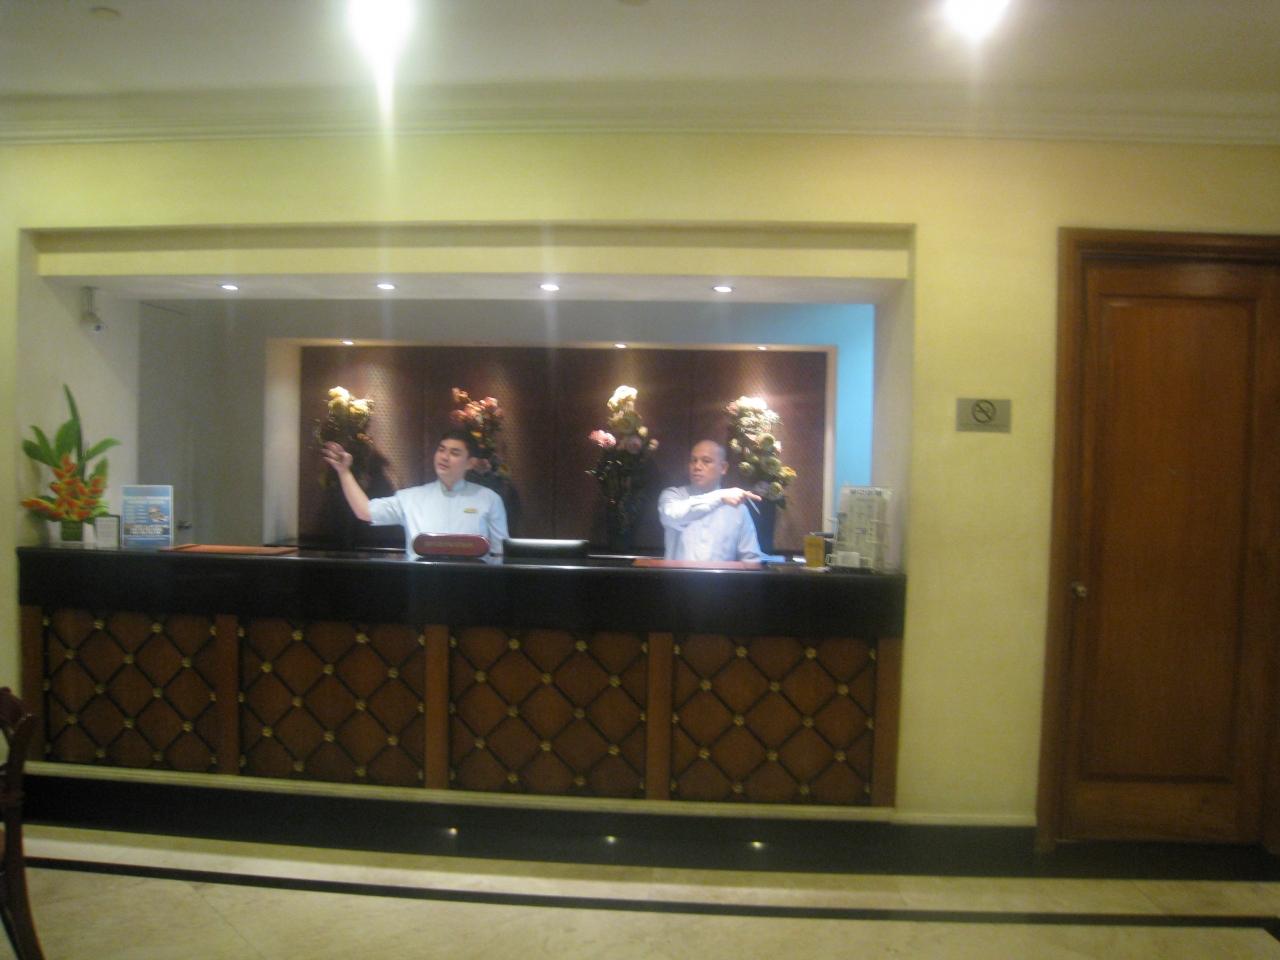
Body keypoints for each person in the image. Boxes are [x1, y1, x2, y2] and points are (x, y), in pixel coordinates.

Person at [321, 428, 509, 557]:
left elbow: (500, 552)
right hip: (422, 588)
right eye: (441, 450)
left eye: (454, 453)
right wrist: (344, 472)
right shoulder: (411, 498)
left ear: (470, 463)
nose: (444, 457)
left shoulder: (489, 500)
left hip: (473, 589)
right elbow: (365, 511)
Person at [658, 439, 763, 562]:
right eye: (693, 460)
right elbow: (672, 516)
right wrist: (720, 497)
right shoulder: (673, 495)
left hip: (724, 575)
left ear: (723, 467)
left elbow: (750, 558)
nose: (697, 466)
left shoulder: (738, 509)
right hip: (677, 574)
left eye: (706, 461)